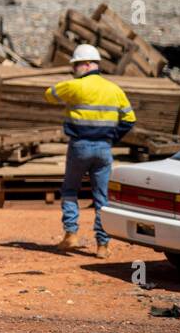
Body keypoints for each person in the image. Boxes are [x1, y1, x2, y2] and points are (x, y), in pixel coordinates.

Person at [44, 43, 136, 259]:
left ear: (85, 65)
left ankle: (71, 233)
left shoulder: (75, 87)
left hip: (79, 146)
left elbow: (49, 94)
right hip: (104, 148)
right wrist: (112, 137)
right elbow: (130, 119)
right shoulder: (114, 89)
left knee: (69, 190)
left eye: (75, 65)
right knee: (101, 198)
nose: (73, 70)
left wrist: (70, 88)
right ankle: (102, 246)